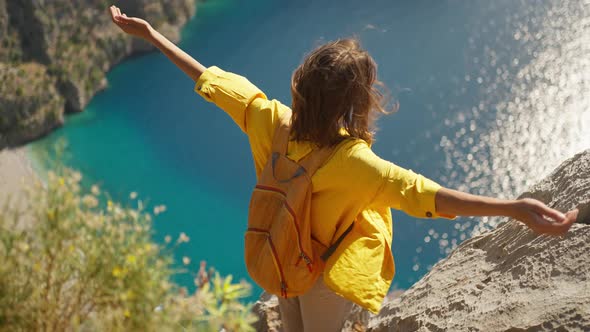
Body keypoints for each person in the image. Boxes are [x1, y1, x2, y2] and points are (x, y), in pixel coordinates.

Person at [108, 5, 578, 331]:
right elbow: (428, 197)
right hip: (321, 273)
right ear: (354, 104)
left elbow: (209, 79)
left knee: (287, 318)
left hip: (277, 251)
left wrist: (151, 36)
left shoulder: (269, 120)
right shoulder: (355, 163)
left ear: (302, 86)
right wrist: (513, 208)